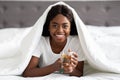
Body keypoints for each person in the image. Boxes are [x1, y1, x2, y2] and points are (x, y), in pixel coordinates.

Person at [22, 3, 85, 77]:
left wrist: (71, 70)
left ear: (70, 28)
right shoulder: (40, 42)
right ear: (48, 27)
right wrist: (54, 67)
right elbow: (27, 73)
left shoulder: (76, 42)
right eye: (55, 25)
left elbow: (79, 73)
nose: (60, 30)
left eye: (65, 26)